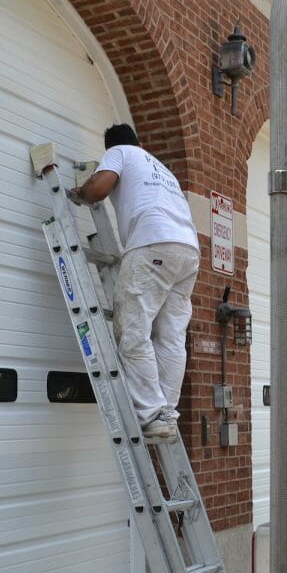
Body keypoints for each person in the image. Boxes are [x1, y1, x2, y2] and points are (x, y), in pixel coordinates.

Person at [69, 124, 200, 440]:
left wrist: (80, 193)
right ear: (139, 141)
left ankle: (152, 415)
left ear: (110, 148)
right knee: (171, 337)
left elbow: (99, 189)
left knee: (133, 330)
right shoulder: (160, 167)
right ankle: (167, 411)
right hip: (188, 251)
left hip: (153, 245)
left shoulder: (119, 153)